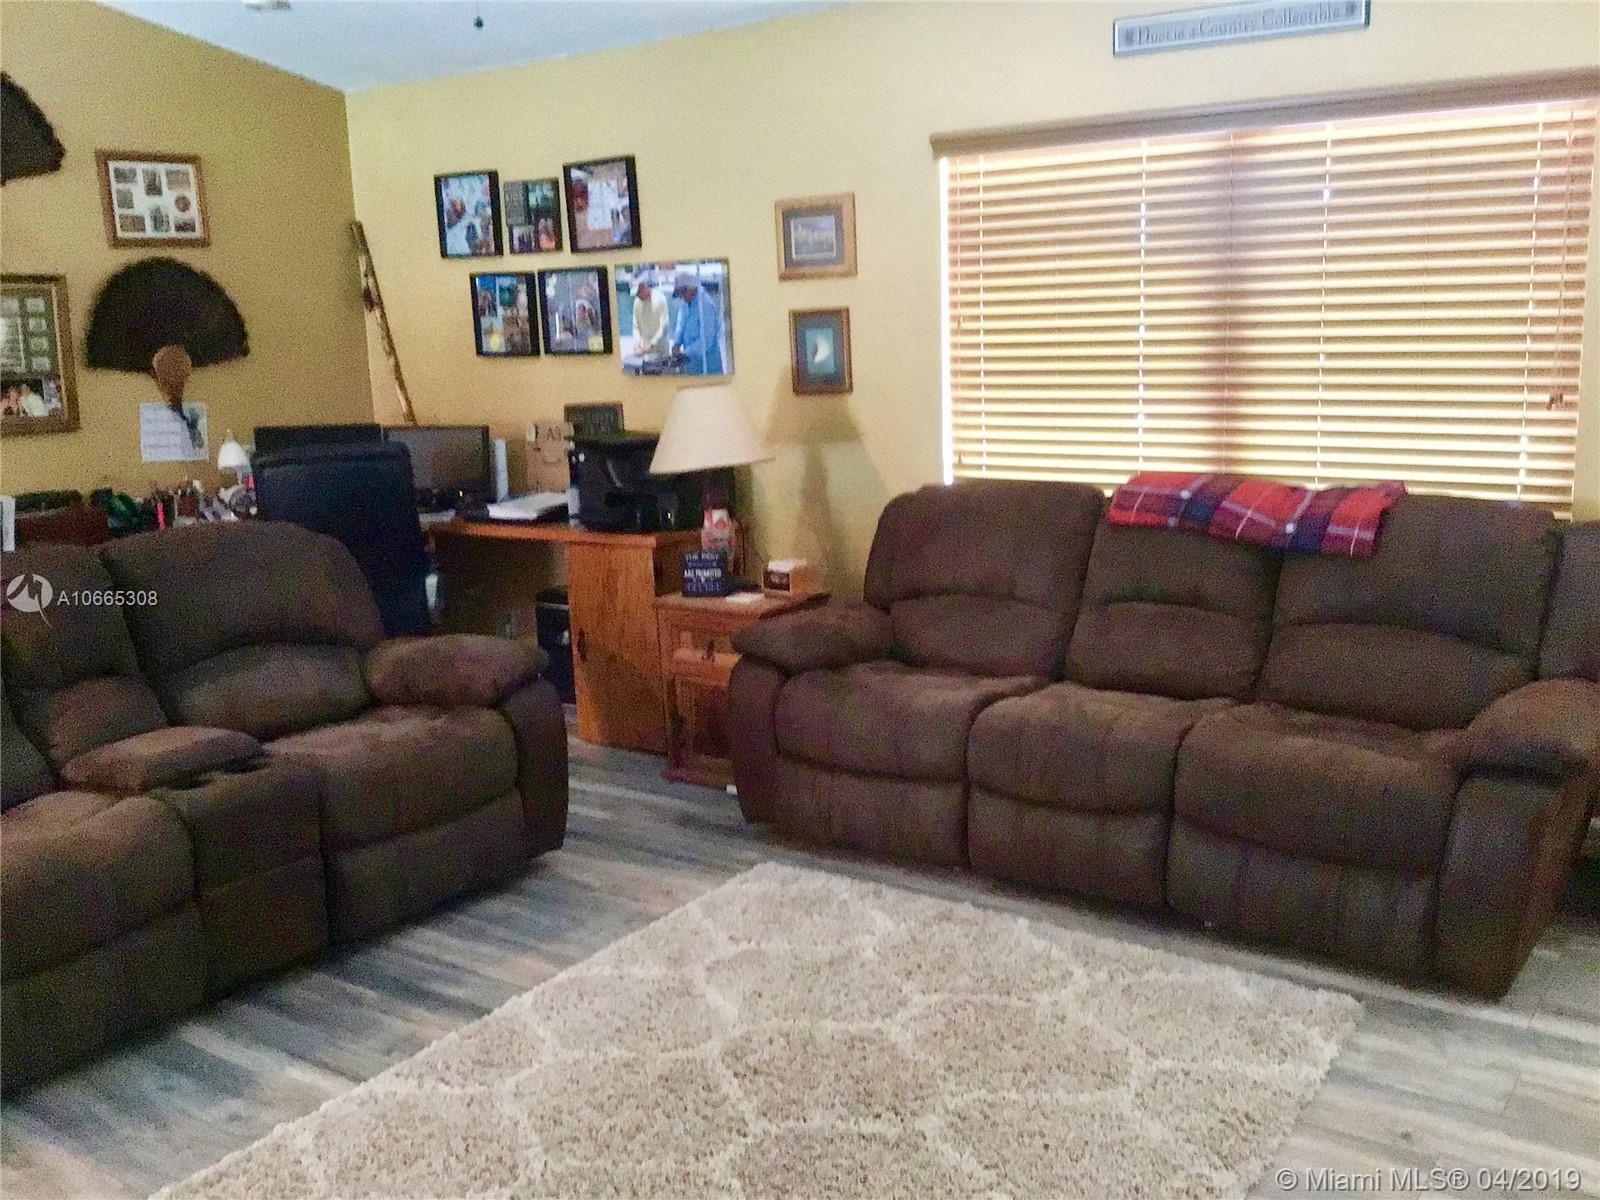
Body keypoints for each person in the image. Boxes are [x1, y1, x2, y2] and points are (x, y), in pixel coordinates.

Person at [670, 270, 723, 375]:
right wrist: (676, 343)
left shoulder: (706, 305)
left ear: (691, 288)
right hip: (691, 365)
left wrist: (686, 353)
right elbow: (681, 325)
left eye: (682, 293)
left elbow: (706, 339)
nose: (681, 297)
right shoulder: (685, 304)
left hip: (707, 366)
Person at [631, 279, 669, 360]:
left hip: (660, 350)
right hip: (644, 351)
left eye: (640, 292)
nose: (638, 296)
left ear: (646, 288)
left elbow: (664, 326)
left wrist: (651, 343)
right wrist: (637, 342)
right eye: (637, 294)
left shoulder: (660, 298)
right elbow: (635, 325)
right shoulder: (637, 301)